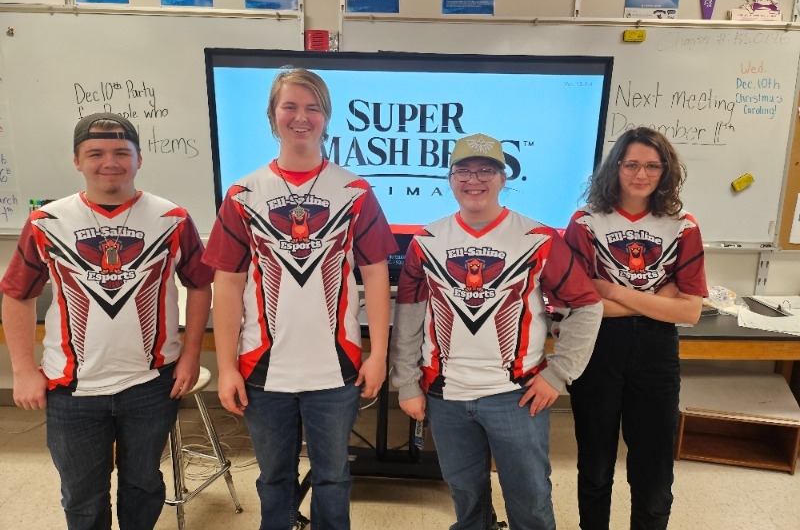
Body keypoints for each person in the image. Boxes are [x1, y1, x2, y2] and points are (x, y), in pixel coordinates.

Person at [203, 67, 397, 530]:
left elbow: (375, 275)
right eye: (289, 106)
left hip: (336, 368)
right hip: (262, 369)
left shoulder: (355, 191)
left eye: (312, 108)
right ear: (272, 115)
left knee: (333, 478)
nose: (301, 117)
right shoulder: (242, 194)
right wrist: (227, 367)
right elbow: (227, 285)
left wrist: (378, 355)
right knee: (274, 479)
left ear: (326, 117)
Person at [0, 112, 213, 530]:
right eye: (95, 153)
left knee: (143, 485)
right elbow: (17, 294)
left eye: (121, 152)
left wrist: (190, 355)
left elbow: (200, 285)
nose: (109, 162)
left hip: (151, 385)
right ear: (77, 160)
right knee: (82, 495)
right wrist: (22, 371)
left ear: (139, 158)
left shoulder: (172, 218)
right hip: (71, 390)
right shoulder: (47, 222)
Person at [391, 132, 603, 530]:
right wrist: (406, 382)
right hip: (446, 396)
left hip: (516, 397)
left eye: (486, 171)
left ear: (504, 178)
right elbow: (408, 316)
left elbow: (587, 305)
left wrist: (558, 373)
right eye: (464, 171)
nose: (474, 180)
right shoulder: (425, 241)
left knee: (530, 501)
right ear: (450, 179)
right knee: (466, 498)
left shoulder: (538, 238)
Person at [563, 126, 707, 530]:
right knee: (595, 464)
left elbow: (690, 311)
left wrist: (609, 289)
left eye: (652, 166)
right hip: (597, 349)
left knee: (654, 469)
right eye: (631, 165)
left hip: (656, 353)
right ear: (616, 168)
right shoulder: (586, 223)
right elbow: (577, 304)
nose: (641, 174)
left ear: (666, 171)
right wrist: (660, 300)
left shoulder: (683, 226)